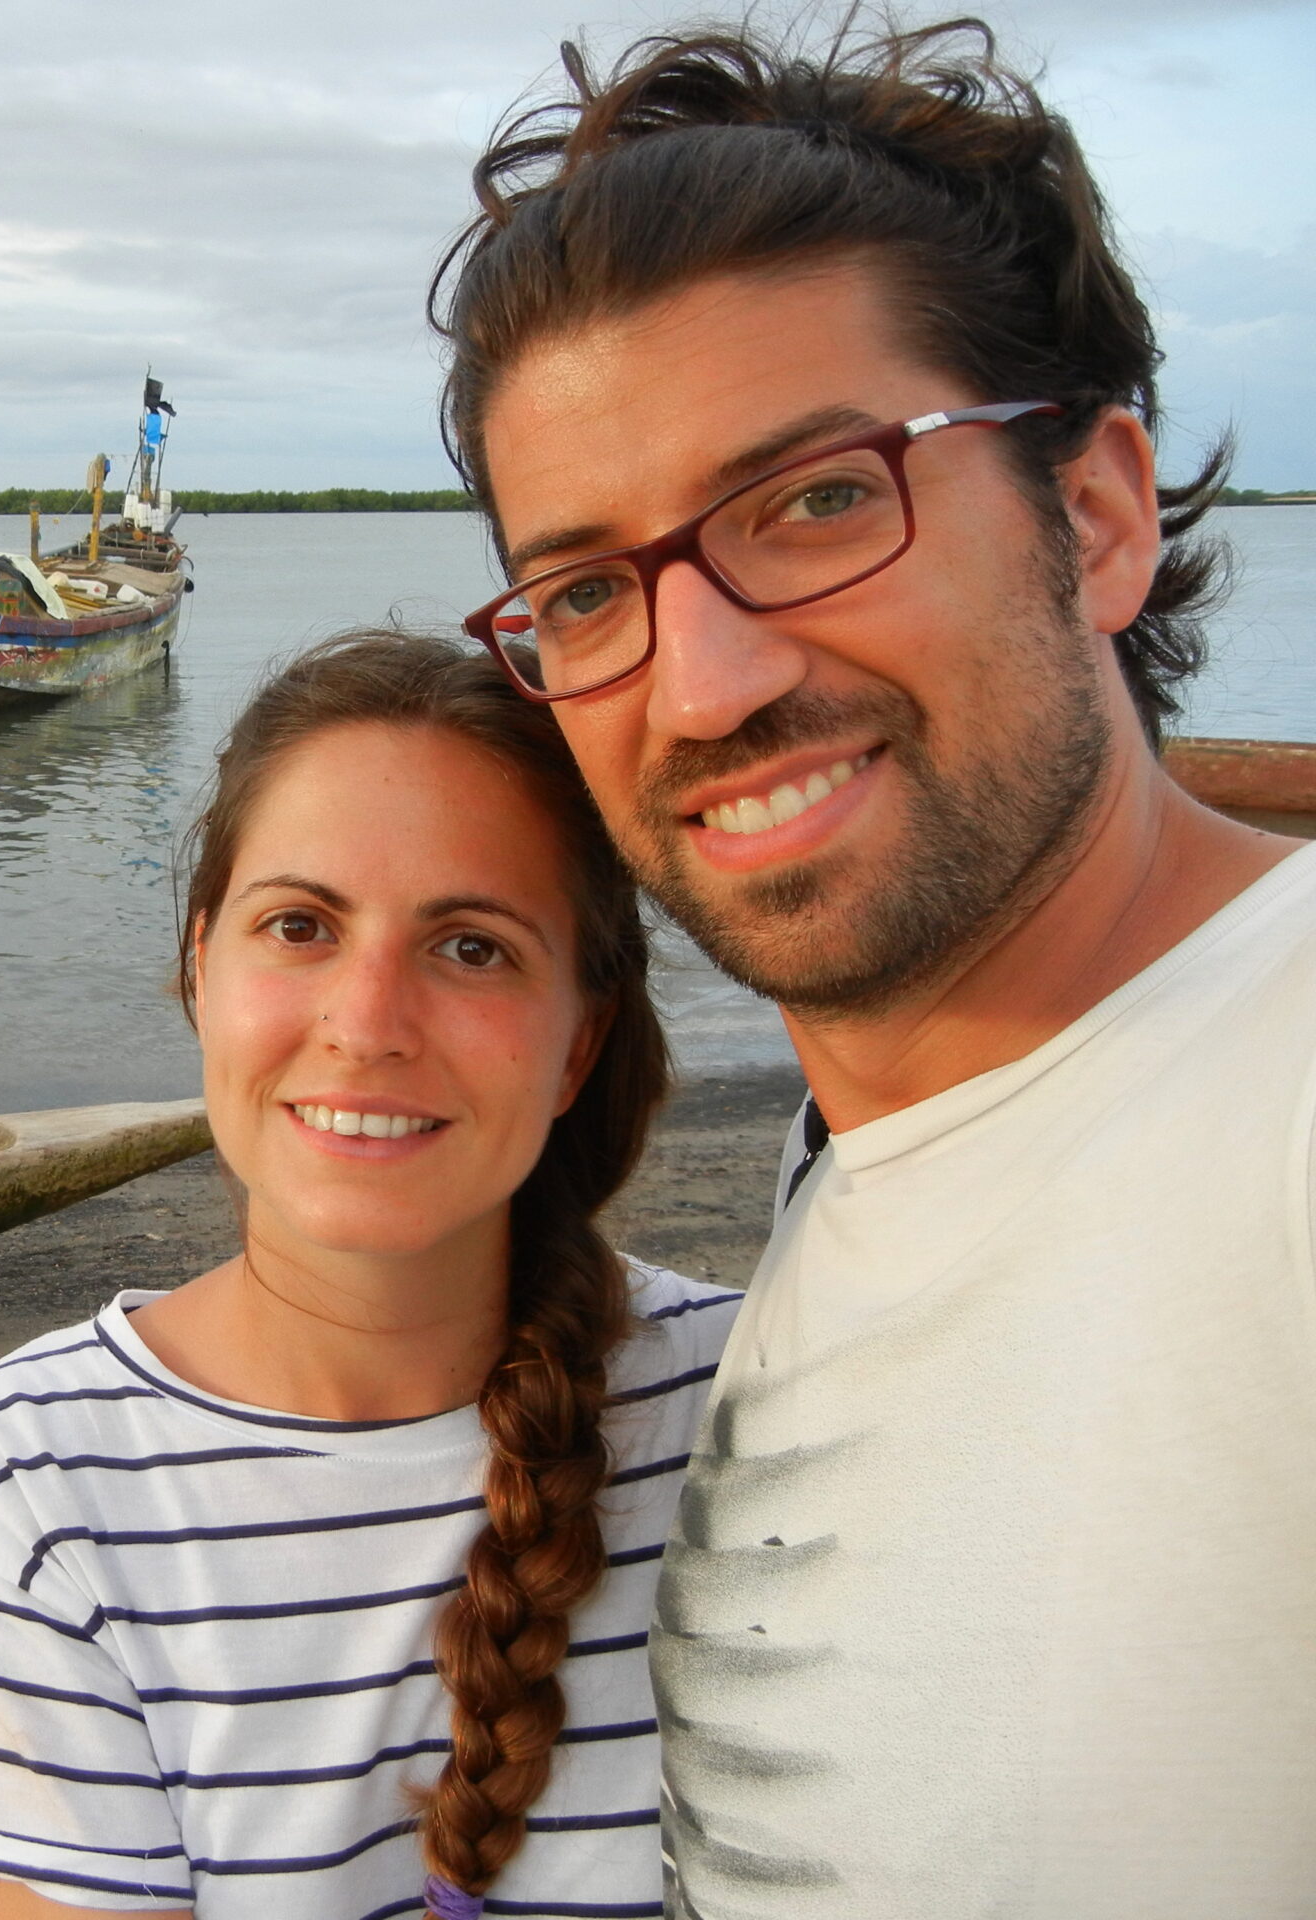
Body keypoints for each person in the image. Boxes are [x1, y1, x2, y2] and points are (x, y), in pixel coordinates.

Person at [433, 19, 1316, 1915]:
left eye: (822, 499)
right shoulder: (877, 1146)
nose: (709, 682)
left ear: (1093, 515)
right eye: (587, 592)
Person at [0, 631, 741, 1919]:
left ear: (579, 1039)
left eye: (471, 947)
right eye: (299, 926)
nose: (365, 1023)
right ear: (201, 967)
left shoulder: (751, 1405)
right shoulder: (43, 1472)